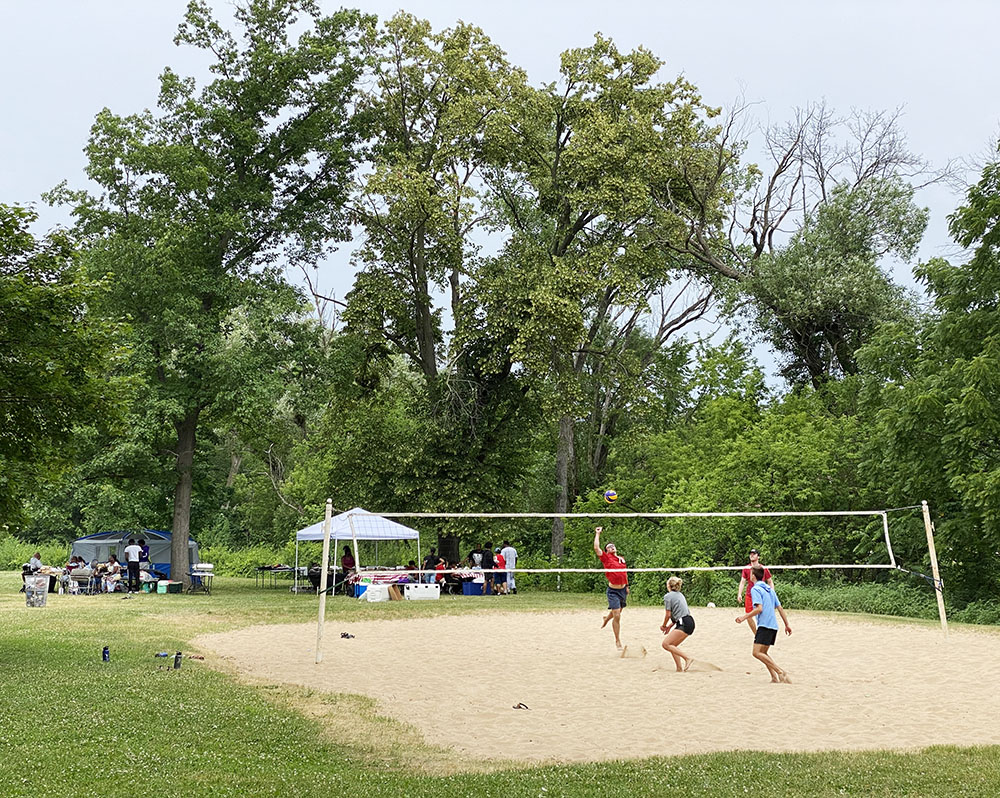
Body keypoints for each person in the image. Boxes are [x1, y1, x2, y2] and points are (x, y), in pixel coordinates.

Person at [736, 564, 792, 683]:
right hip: (773, 626)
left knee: (756, 653)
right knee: (763, 653)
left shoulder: (755, 589)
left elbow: (759, 609)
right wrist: (787, 625)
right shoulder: (770, 590)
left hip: (765, 625)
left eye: (751, 573)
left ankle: (781, 672)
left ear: (753, 576)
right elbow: (780, 608)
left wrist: (744, 617)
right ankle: (774, 677)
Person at [594, 526, 629, 649]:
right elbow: (596, 548)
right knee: (617, 615)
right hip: (613, 591)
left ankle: (606, 618)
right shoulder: (606, 558)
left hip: (623, 590)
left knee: (617, 612)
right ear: (607, 551)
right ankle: (617, 640)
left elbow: (624, 573)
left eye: (612, 546)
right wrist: (598, 533)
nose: (611, 547)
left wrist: (627, 586)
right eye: (608, 547)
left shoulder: (621, 559)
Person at [660, 576, 696, 671]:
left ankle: (687, 658)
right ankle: (679, 668)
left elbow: (668, 615)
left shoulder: (668, 596)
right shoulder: (680, 595)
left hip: (683, 622)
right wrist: (669, 626)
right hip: (689, 621)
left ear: (669, 585)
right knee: (672, 645)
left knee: (665, 644)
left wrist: (664, 626)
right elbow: (679, 614)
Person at [737, 548, 774, 635]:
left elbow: (770, 581)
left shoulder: (763, 568)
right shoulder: (746, 568)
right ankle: (756, 635)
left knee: (763, 615)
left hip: (762, 595)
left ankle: (765, 632)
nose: (752, 555)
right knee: (748, 616)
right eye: (751, 554)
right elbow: (742, 582)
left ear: (758, 556)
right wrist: (739, 594)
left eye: (754, 554)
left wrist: (771, 593)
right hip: (750, 595)